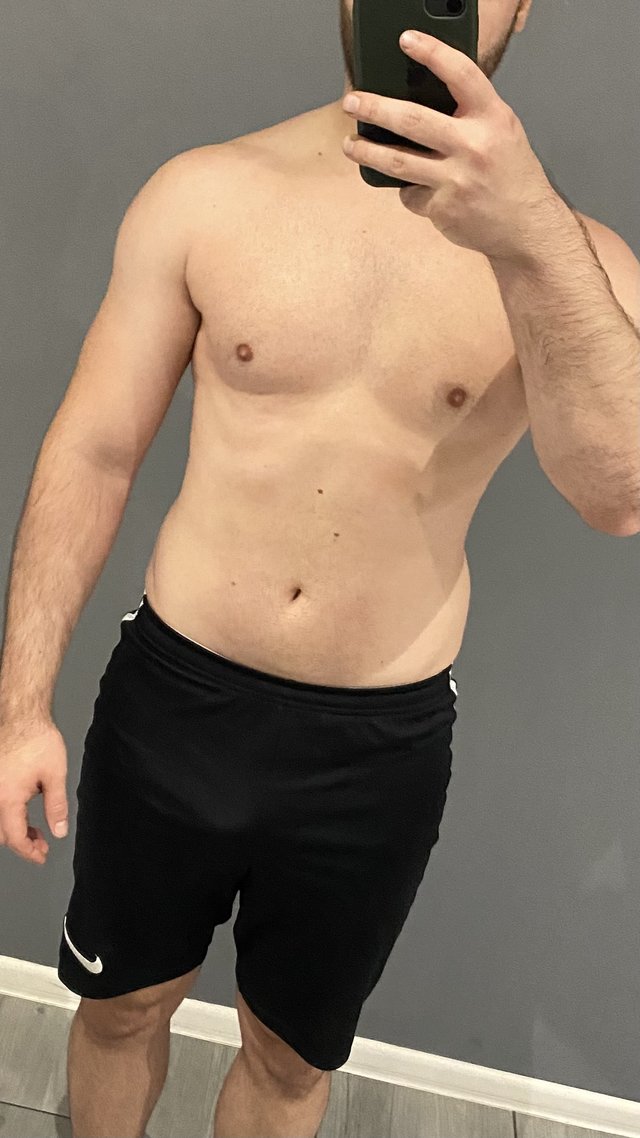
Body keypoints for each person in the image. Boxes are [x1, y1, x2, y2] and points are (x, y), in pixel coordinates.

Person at [1, 2, 635, 1136]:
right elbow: (94, 450)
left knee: (291, 1062)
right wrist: (20, 709)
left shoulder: (573, 263)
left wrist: (530, 231)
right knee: (118, 1009)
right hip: (174, 706)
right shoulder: (207, 194)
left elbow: (617, 495)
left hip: (373, 751)